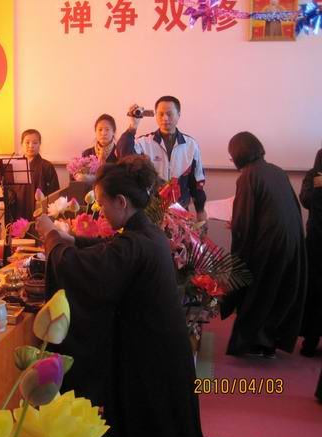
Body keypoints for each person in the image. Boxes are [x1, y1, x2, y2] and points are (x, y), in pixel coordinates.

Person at [37, 155, 218, 437]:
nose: (100, 209)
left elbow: (83, 268)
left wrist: (51, 237)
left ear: (121, 202)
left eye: (102, 203)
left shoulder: (136, 242)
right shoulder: (146, 231)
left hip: (153, 357)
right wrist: (75, 241)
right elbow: (111, 248)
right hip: (162, 348)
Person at [222, 132, 306, 358]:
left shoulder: (248, 176)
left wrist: (237, 227)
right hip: (291, 242)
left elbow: (245, 220)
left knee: (258, 292)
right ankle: (268, 343)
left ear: (238, 153)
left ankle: (251, 344)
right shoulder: (277, 171)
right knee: (276, 293)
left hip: (269, 244)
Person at [117, 96, 207, 222]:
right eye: (160, 114)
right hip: (150, 213)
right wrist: (133, 126)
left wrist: (200, 211)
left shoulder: (191, 145)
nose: (165, 118)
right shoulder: (144, 143)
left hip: (180, 213)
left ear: (179, 115)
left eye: (169, 114)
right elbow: (124, 156)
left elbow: (196, 182)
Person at [299, 148, 322, 356]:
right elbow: (305, 200)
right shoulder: (312, 176)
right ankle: (311, 339)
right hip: (316, 240)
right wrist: (317, 186)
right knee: (314, 290)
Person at [8, 129, 59, 220]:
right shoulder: (15, 165)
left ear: (40, 144)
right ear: (21, 144)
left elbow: (54, 192)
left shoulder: (47, 166)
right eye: (27, 142)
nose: (31, 146)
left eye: (35, 143)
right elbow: (9, 189)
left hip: (39, 211)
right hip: (18, 209)